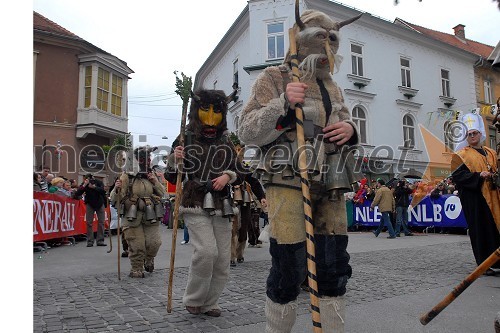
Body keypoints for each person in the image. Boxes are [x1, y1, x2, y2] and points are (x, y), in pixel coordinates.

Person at [237, 7, 362, 332]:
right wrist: (282, 104)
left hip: (330, 183)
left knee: (333, 265)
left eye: (332, 40)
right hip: (288, 182)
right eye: (320, 38)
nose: (327, 47)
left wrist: (350, 130)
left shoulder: (332, 86)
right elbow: (247, 131)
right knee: (289, 265)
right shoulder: (274, 77)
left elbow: (345, 121)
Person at [164, 87, 240, 317]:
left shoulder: (226, 140)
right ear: (197, 110)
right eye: (205, 110)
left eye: (216, 111)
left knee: (222, 258)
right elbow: (171, 176)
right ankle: (194, 298)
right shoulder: (185, 137)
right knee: (207, 252)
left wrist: (229, 175)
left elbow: (241, 169)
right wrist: (174, 160)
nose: (210, 117)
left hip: (222, 204)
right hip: (194, 199)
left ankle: (210, 302)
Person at [451, 112, 500, 276]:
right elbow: (458, 176)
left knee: (496, 228)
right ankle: (485, 263)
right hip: (476, 200)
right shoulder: (461, 155)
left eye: (475, 133)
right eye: (469, 134)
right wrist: (478, 176)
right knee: (482, 230)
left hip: (494, 197)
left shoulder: (491, 152)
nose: (472, 136)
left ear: (480, 133)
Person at [113, 146, 166, 278]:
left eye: (148, 158)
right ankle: (136, 267)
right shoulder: (126, 177)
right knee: (137, 244)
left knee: (154, 243)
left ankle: (149, 258)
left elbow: (162, 194)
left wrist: (155, 182)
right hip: (132, 216)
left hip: (150, 215)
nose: (147, 161)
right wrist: (116, 189)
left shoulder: (151, 175)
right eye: (143, 158)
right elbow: (116, 199)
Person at [234, 171, 267, 264]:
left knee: (244, 226)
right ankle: (230, 255)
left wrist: (262, 197)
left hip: (244, 199)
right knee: (230, 228)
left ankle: (239, 252)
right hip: (227, 199)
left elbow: (254, 182)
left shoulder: (243, 168)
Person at [74, 174, 107, 247]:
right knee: (89, 223)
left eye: (91, 179)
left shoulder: (99, 182)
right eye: (87, 180)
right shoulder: (85, 184)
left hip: (99, 203)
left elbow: (103, 191)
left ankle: (100, 240)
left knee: (101, 222)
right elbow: (77, 193)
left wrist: (94, 187)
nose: (90, 181)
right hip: (89, 203)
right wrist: (84, 185)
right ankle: (90, 241)